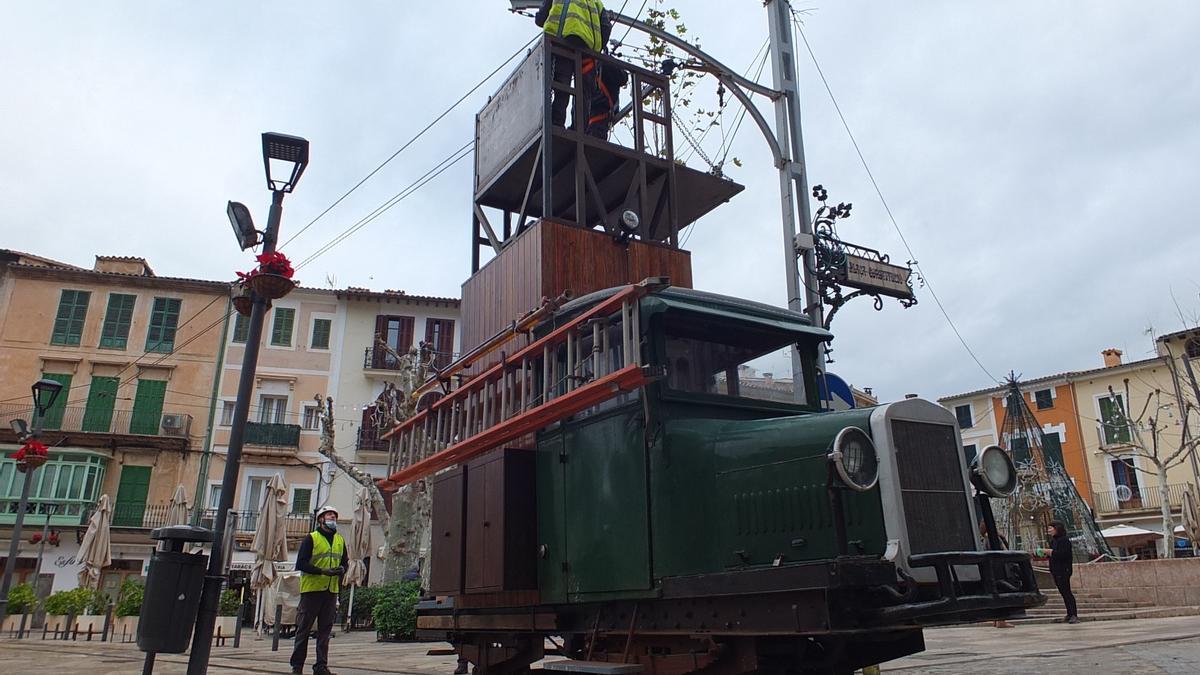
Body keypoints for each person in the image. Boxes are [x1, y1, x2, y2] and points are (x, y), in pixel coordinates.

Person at [290, 505, 349, 675]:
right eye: (329, 516)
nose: (333, 519)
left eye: (334, 517)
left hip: (331, 591)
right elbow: (301, 563)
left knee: (325, 631)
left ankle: (321, 666)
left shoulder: (339, 540)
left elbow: (345, 561)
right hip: (312, 590)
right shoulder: (311, 538)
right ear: (321, 519)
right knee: (304, 629)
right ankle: (297, 667)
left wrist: (343, 569)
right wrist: (323, 571)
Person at [536, 0, 606, 128]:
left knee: (562, 85)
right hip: (586, 51)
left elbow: (540, 19)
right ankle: (579, 128)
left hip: (564, 43)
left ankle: (557, 122)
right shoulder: (596, 2)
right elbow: (606, 27)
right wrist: (597, 50)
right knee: (584, 93)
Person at [1036, 521, 1079, 624]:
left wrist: (1049, 552)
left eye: (1051, 528)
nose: (1049, 530)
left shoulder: (1064, 540)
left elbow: (1063, 554)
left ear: (1057, 529)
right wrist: (1044, 554)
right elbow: (1054, 555)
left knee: (1067, 592)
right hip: (1055, 569)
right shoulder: (1054, 541)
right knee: (1063, 592)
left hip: (1063, 569)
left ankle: (1074, 614)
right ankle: (1069, 613)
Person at [978, 521, 1014, 628]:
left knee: (995, 594)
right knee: (1001, 593)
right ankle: (1001, 620)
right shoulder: (993, 539)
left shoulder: (985, 539)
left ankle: (996, 619)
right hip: (999, 570)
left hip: (991, 571)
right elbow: (1003, 552)